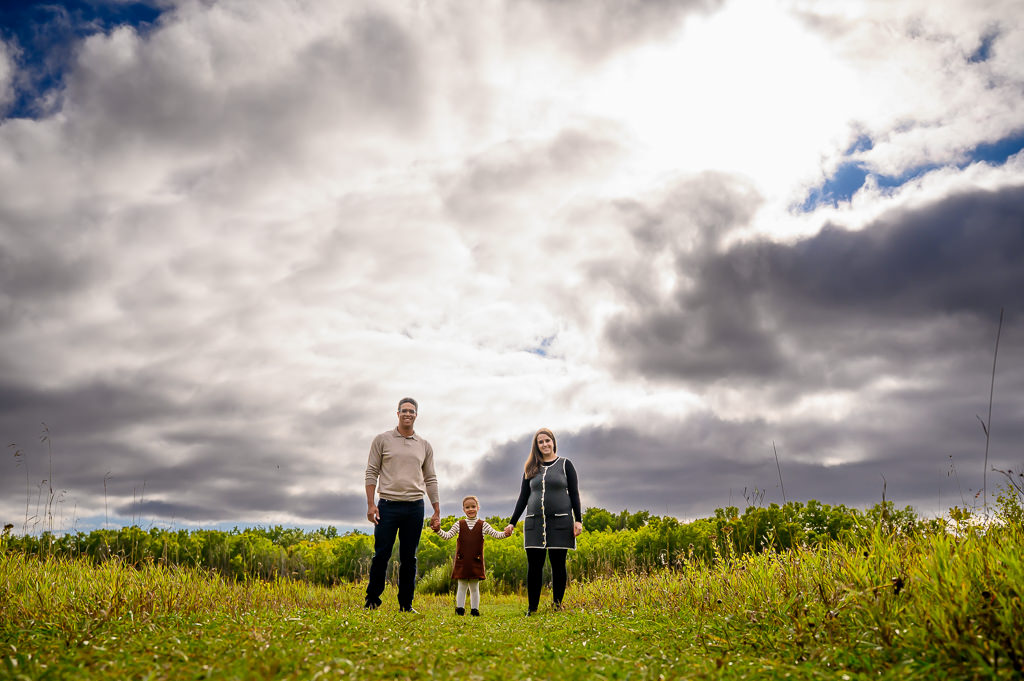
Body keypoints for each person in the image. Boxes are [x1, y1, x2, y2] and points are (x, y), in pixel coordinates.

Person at [364, 397, 441, 613]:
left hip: (415, 507)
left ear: (416, 415)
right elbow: (371, 471)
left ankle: (406, 604)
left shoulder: (424, 445)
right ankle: (372, 599)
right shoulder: (382, 440)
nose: (408, 414)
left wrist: (436, 509)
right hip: (387, 506)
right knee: (381, 554)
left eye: (411, 411)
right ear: (397, 414)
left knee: (409, 558)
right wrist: (371, 504)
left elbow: (430, 478)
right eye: (404, 411)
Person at [504, 428, 582, 615]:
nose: (545, 444)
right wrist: (512, 522)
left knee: (558, 565)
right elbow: (523, 497)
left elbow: (574, 493)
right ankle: (532, 608)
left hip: (561, 522)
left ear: (553, 442)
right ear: (536, 446)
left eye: (548, 440)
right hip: (534, 523)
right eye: (541, 442)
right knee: (534, 566)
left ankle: (557, 606)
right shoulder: (530, 468)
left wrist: (578, 520)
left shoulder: (565, 464)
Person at [434, 495, 509, 616]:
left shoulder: (483, 525)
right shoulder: (459, 524)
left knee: (474, 587)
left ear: (478, 507)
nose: (470, 509)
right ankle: (460, 609)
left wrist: (506, 533)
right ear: (463, 509)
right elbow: (447, 536)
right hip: (462, 561)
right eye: (467, 507)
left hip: (476, 561)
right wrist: (438, 530)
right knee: (462, 585)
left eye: (473, 506)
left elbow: (497, 534)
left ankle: (475, 610)